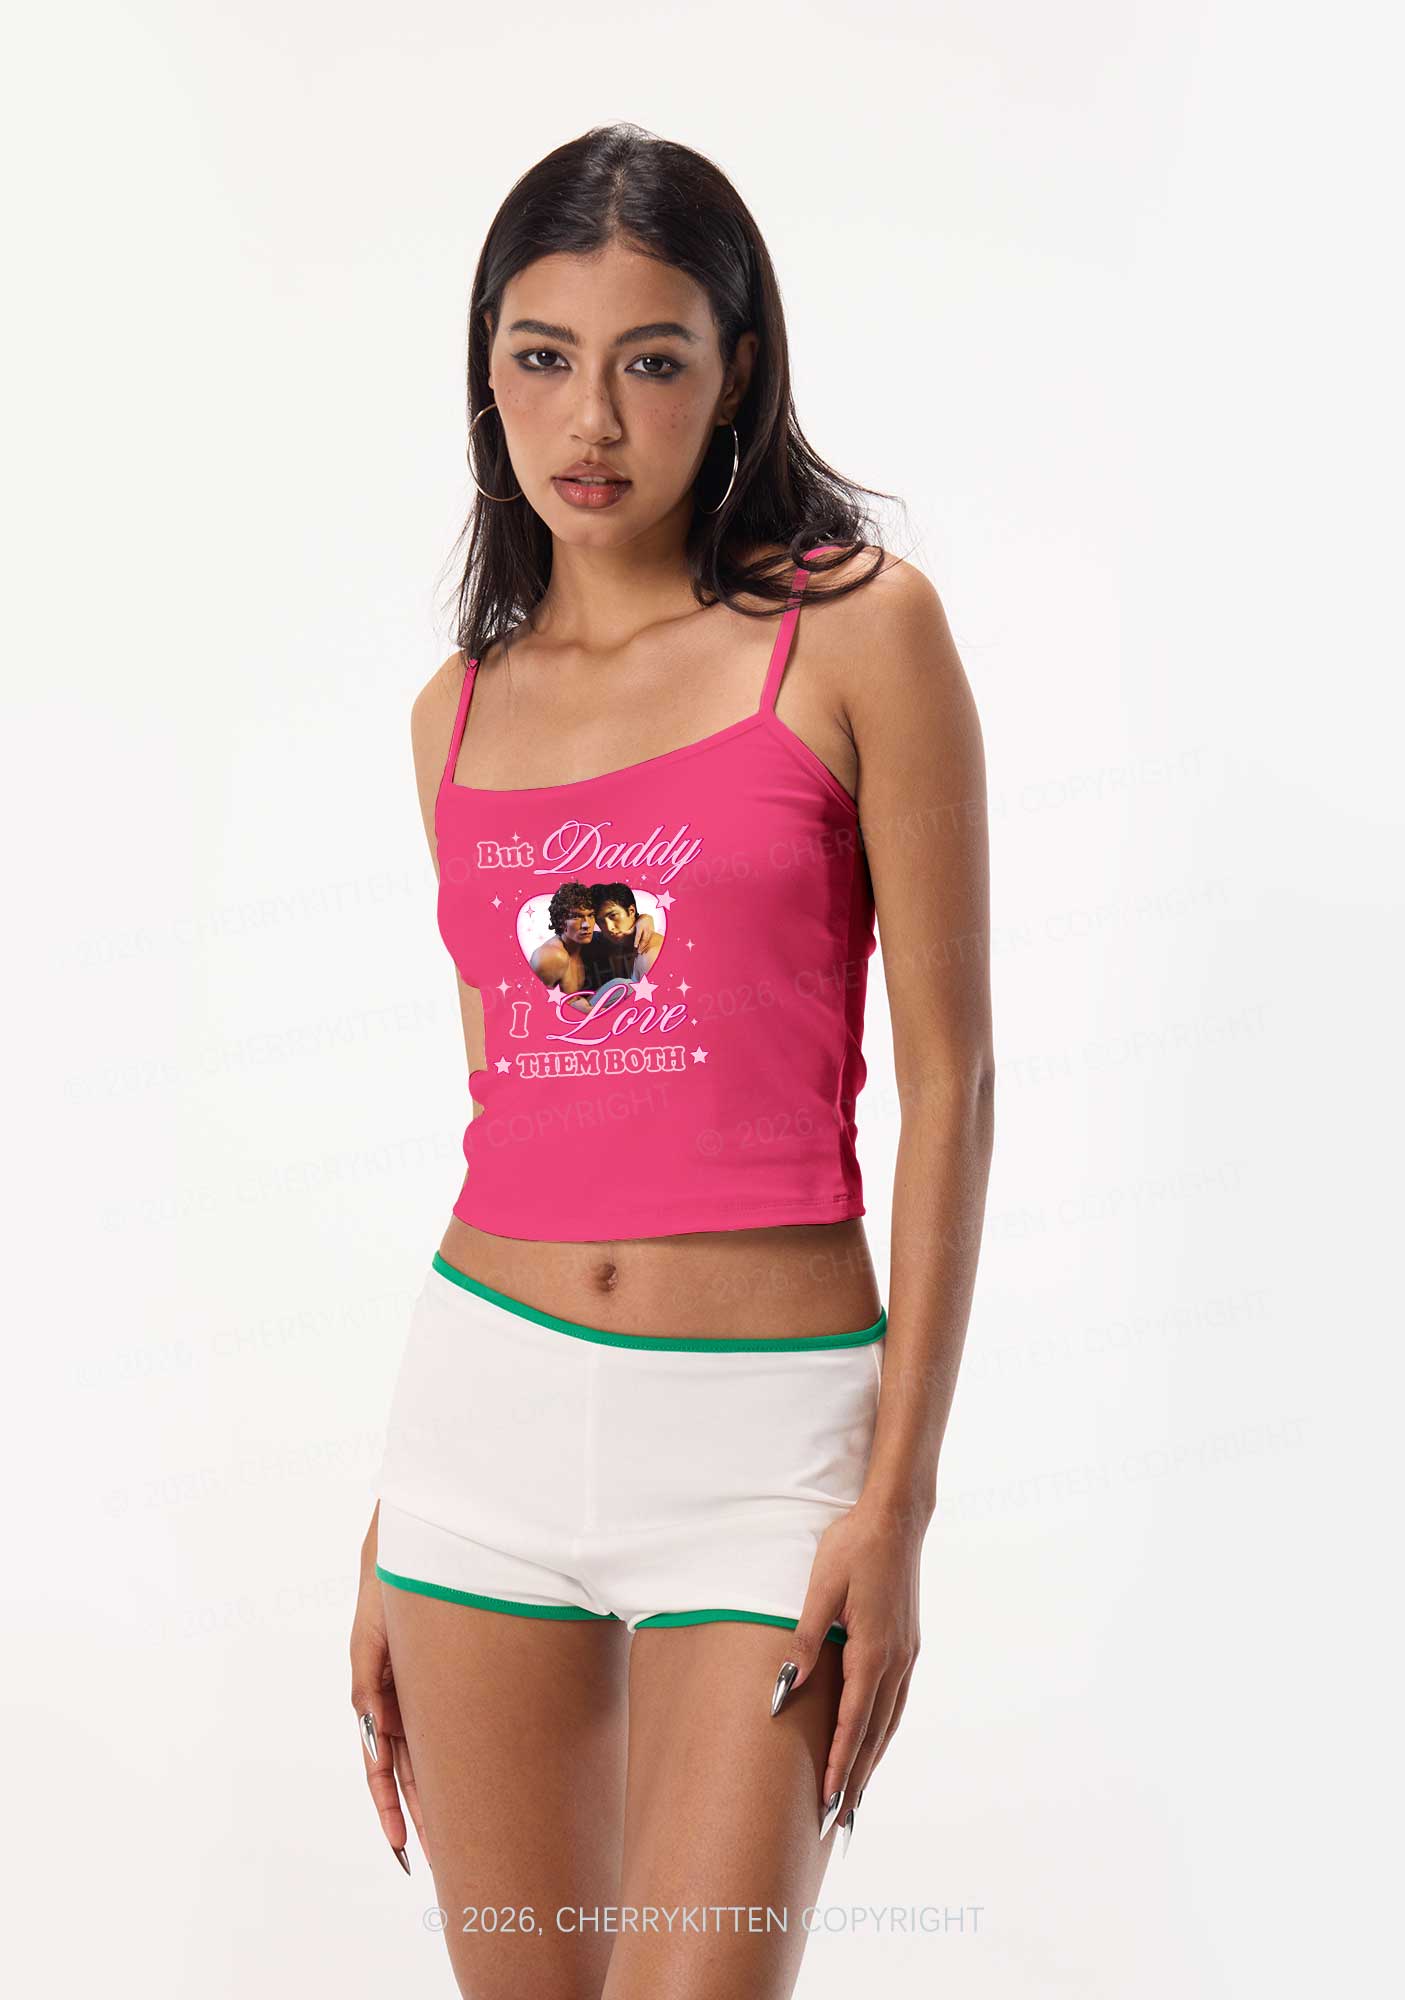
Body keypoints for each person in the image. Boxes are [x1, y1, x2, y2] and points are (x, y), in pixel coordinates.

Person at [349, 120, 994, 2000]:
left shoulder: (854, 633)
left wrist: (896, 1504)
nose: (591, 421)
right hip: (477, 1434)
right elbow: (516, 1109)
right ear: (487, 372)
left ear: (735, 375)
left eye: (651, 360)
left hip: (763, 1447)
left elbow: (952, 1080)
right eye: (542, 356)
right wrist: (395, 1523)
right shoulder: (457, 715)